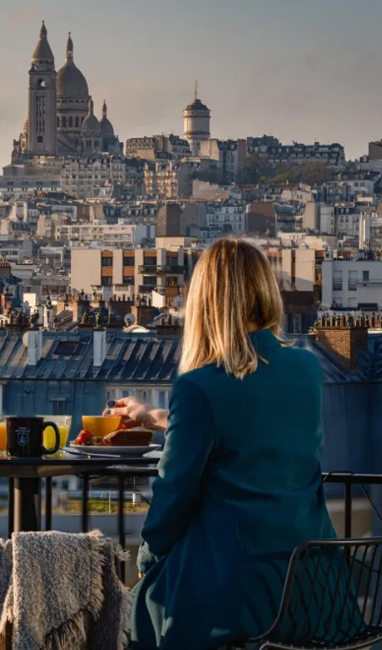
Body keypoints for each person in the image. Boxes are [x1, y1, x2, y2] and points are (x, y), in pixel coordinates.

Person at [118, 238, 336, 650]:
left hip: (235, 590)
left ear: (204, 301)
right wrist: (159, 418)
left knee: (137, 612)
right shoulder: (306, 367)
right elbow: (255, 427)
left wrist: (147, 562)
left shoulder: (200, 386)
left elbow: (173, 496)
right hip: (310, 583)